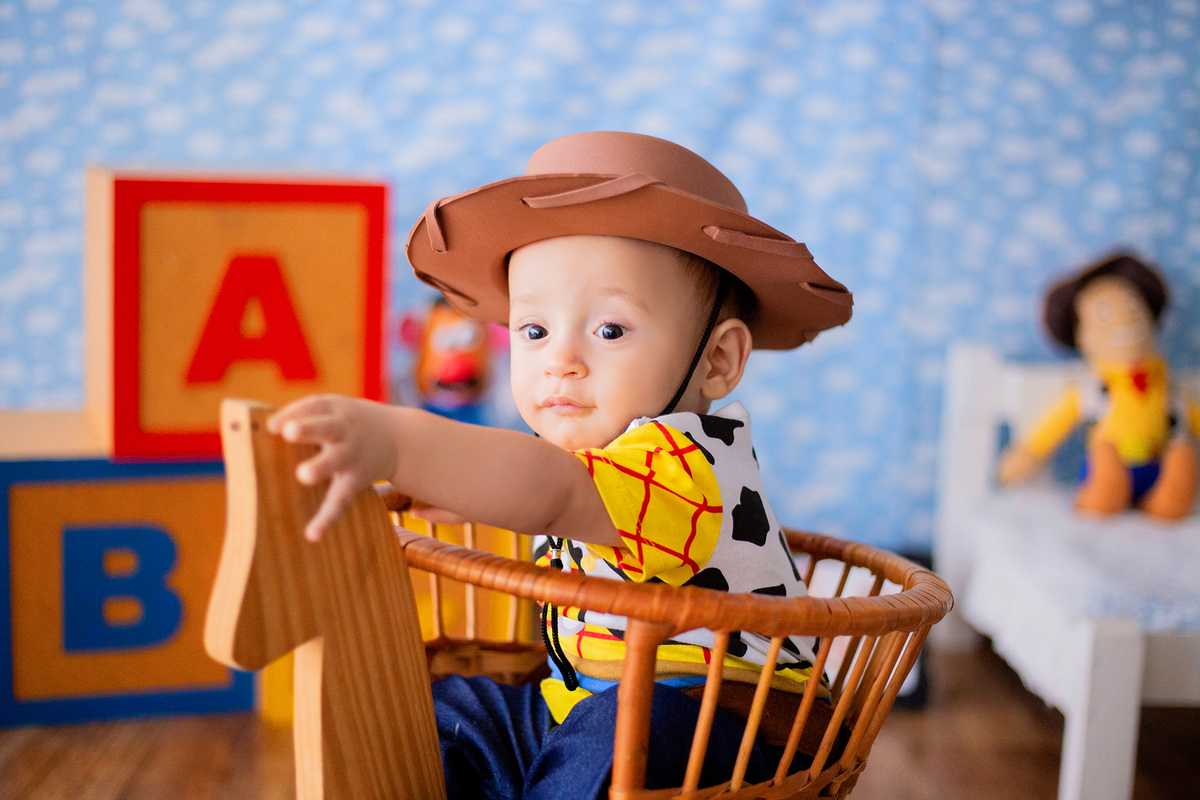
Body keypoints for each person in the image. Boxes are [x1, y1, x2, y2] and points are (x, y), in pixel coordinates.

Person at [268, 131, 853, 799]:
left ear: (717, 361)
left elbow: (548, 492)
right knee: (450, 709)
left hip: (728, 722)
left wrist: (395, 445)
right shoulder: (588, 457)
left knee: (626, 731)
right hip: (584, 701)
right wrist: (423, 487)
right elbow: (524, 486)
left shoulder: (678, 464)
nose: (559, 360)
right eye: (534, 331)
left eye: (610, 330)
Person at [997, 252, 1199, 519]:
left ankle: (1164, 504)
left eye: (1133, 309)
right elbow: (1056, 423)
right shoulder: (1091, 388)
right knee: (1104, 460)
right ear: (1081, 332)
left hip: (1155, 466)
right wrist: (1028, 454)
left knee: (1182, 456)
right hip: (1109, 465)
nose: (1126, 321)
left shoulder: (1164, 383)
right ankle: (1103, 496)